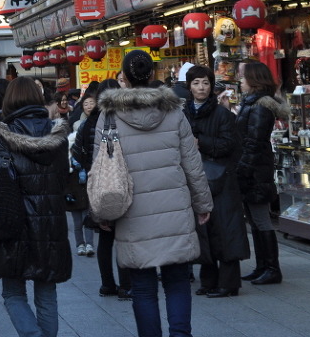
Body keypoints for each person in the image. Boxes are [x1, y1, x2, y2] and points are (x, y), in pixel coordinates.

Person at [98, 50, 213, 337]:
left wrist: (100, 211)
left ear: (123, 77)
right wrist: (202, 203)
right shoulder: (175, 111)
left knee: (143, 287)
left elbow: (100, 168)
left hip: (132, 212)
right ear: (151, 75)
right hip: (174, 208)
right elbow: (192, 163)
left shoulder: (109, 116)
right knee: (177, 282)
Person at [0, 76, 71, 337]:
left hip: (14, 222)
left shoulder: (1, 135)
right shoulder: (58, 134)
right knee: (47, 292)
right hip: (50, 223)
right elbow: (62, 179)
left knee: (12, 292)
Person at [185, 65, 249, 298]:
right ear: (189, 87)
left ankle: (229, 283)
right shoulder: (184, 113)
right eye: (196, 83)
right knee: (203, 230)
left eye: (205, 83)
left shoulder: (223, 114)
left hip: (222, 179)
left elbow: (230, 145)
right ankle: (208, 280)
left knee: (225, 230)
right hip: (195, 178)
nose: (201, 88)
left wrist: (200, 142)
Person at [233, 60, 289, 286]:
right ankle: (262, 266)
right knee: (255, 221)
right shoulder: (251, 103)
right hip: (251, 169)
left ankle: (272, 268)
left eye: (243, 77)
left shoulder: (261, 106)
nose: (240, 81)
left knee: (261, 219)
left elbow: (253, 143)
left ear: (253, 80)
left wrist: (242, 170)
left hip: (255, 171)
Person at [73, 77, 130, 298]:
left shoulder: (90, 121)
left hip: (96, 183)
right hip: (120, 182)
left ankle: (107, 284)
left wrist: (90, 168)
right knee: (123, 236)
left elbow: (77, 151)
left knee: (105, 237)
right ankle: (126, 285)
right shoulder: (122, 119)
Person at [66, 88, 95, 258]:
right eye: (86, 103)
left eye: (92, 102)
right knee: (77, 220)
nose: (89, 105)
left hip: (87, 181)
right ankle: (80, 244)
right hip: (74, 185)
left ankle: (89, 244)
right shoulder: (75, 131)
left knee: (88, 216)